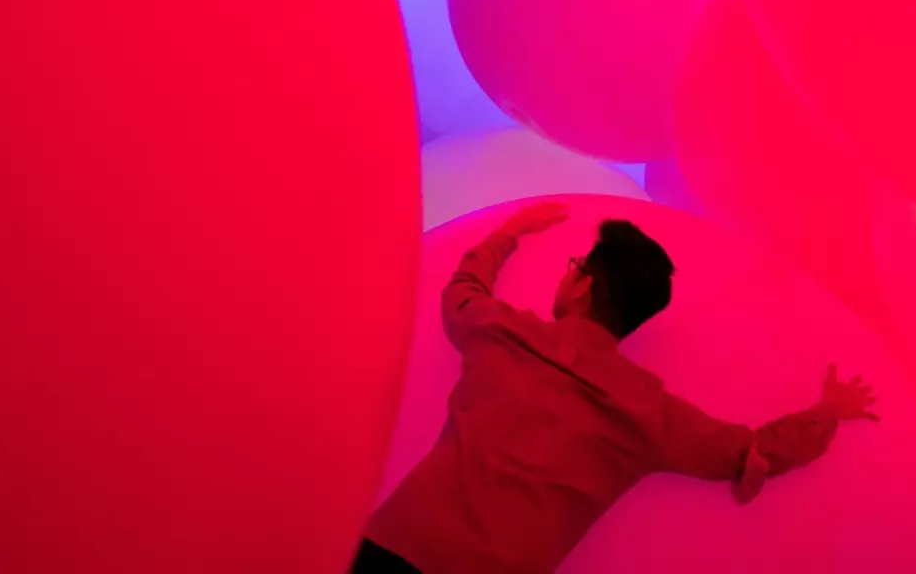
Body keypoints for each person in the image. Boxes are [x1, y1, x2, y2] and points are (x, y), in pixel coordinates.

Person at [356, 201, 879, 573]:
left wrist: (506, 234)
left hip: (396, 547)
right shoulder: (648, 413)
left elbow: (462, 292)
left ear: (581, 284)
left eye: (575, 266)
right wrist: (827, 411)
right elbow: (752, 450)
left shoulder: (501, 334)